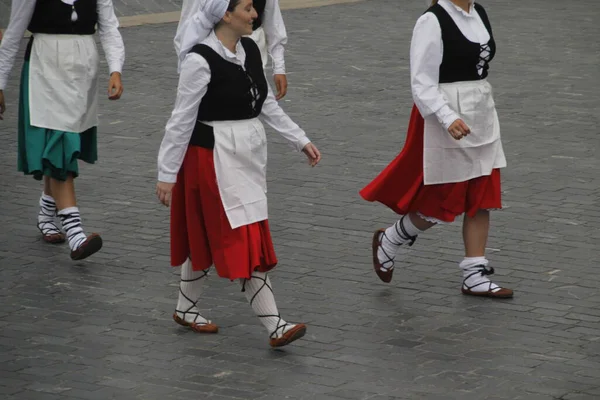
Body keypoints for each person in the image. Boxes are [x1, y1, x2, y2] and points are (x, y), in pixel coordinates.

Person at [156, 0, 322, 347]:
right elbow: (180, 120)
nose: (254, 14)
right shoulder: (199, 60)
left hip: (245, 158)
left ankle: (186, 308)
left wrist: (299, 139)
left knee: (207, 233)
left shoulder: (248, 47)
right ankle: (275, 324)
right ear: (225, 15)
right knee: (241, 236)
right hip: (211, 160)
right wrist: (167, 173)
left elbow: (263, 102)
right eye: (246, 8)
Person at [360, 0, 512, 298]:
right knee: (444, 197)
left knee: (482, 193)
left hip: (480, 109)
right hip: (445, 113)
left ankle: (474, 272)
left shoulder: (478, 12)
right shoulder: (432, 20)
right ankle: (391, 238)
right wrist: (448, 116)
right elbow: (421, 82)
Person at [0, 0, 125, 260]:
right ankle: (75, 232)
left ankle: (47, 212)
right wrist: (0, 82)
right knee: (60, 146)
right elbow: (13, 34)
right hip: (45, 72)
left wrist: (116, 69)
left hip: (82, 74)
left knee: (58, 145)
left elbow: (109, 27)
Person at [177, 0, 288, 100]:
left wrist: (279, 67)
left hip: (254, 50)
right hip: (215, 51)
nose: (254, 13)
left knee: (257, 100)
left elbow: (273, 21)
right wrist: (189, 69)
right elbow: (188, 26)